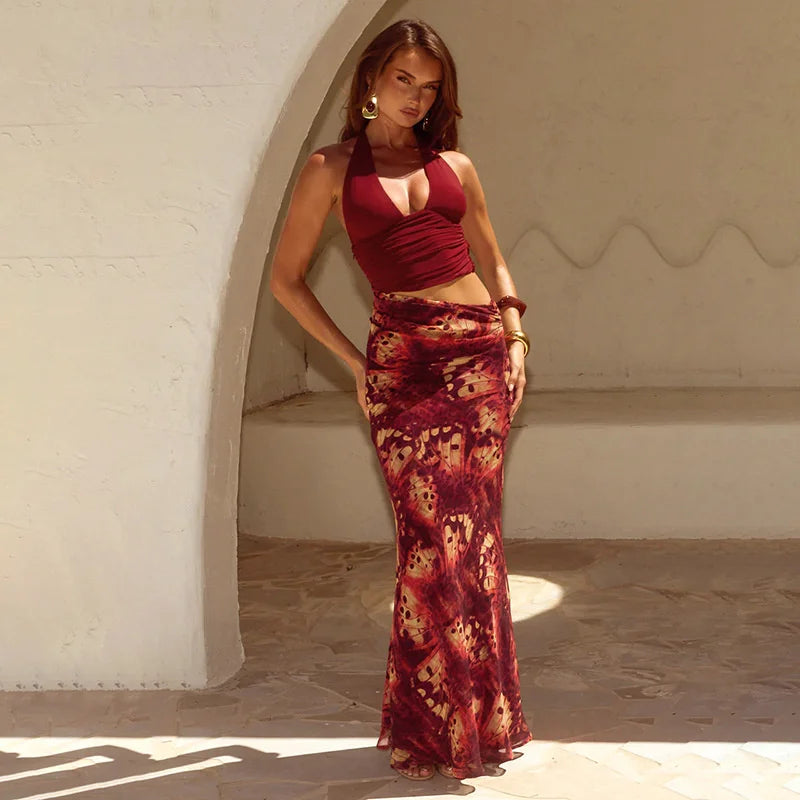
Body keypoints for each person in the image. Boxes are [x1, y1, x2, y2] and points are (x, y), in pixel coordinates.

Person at [270, 18, 533, 782]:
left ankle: (481, 723)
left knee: (476, 542)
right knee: (429, 544)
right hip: (403, 364)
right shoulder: (329, 168)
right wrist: (356, 361)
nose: (416, 98)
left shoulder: (457, 164)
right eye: (402, 81)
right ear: (369, 84)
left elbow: (494, 254)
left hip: (481, 356)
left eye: (429, 86)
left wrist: (514, 335)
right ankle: (431, 727)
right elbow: (285, 281)